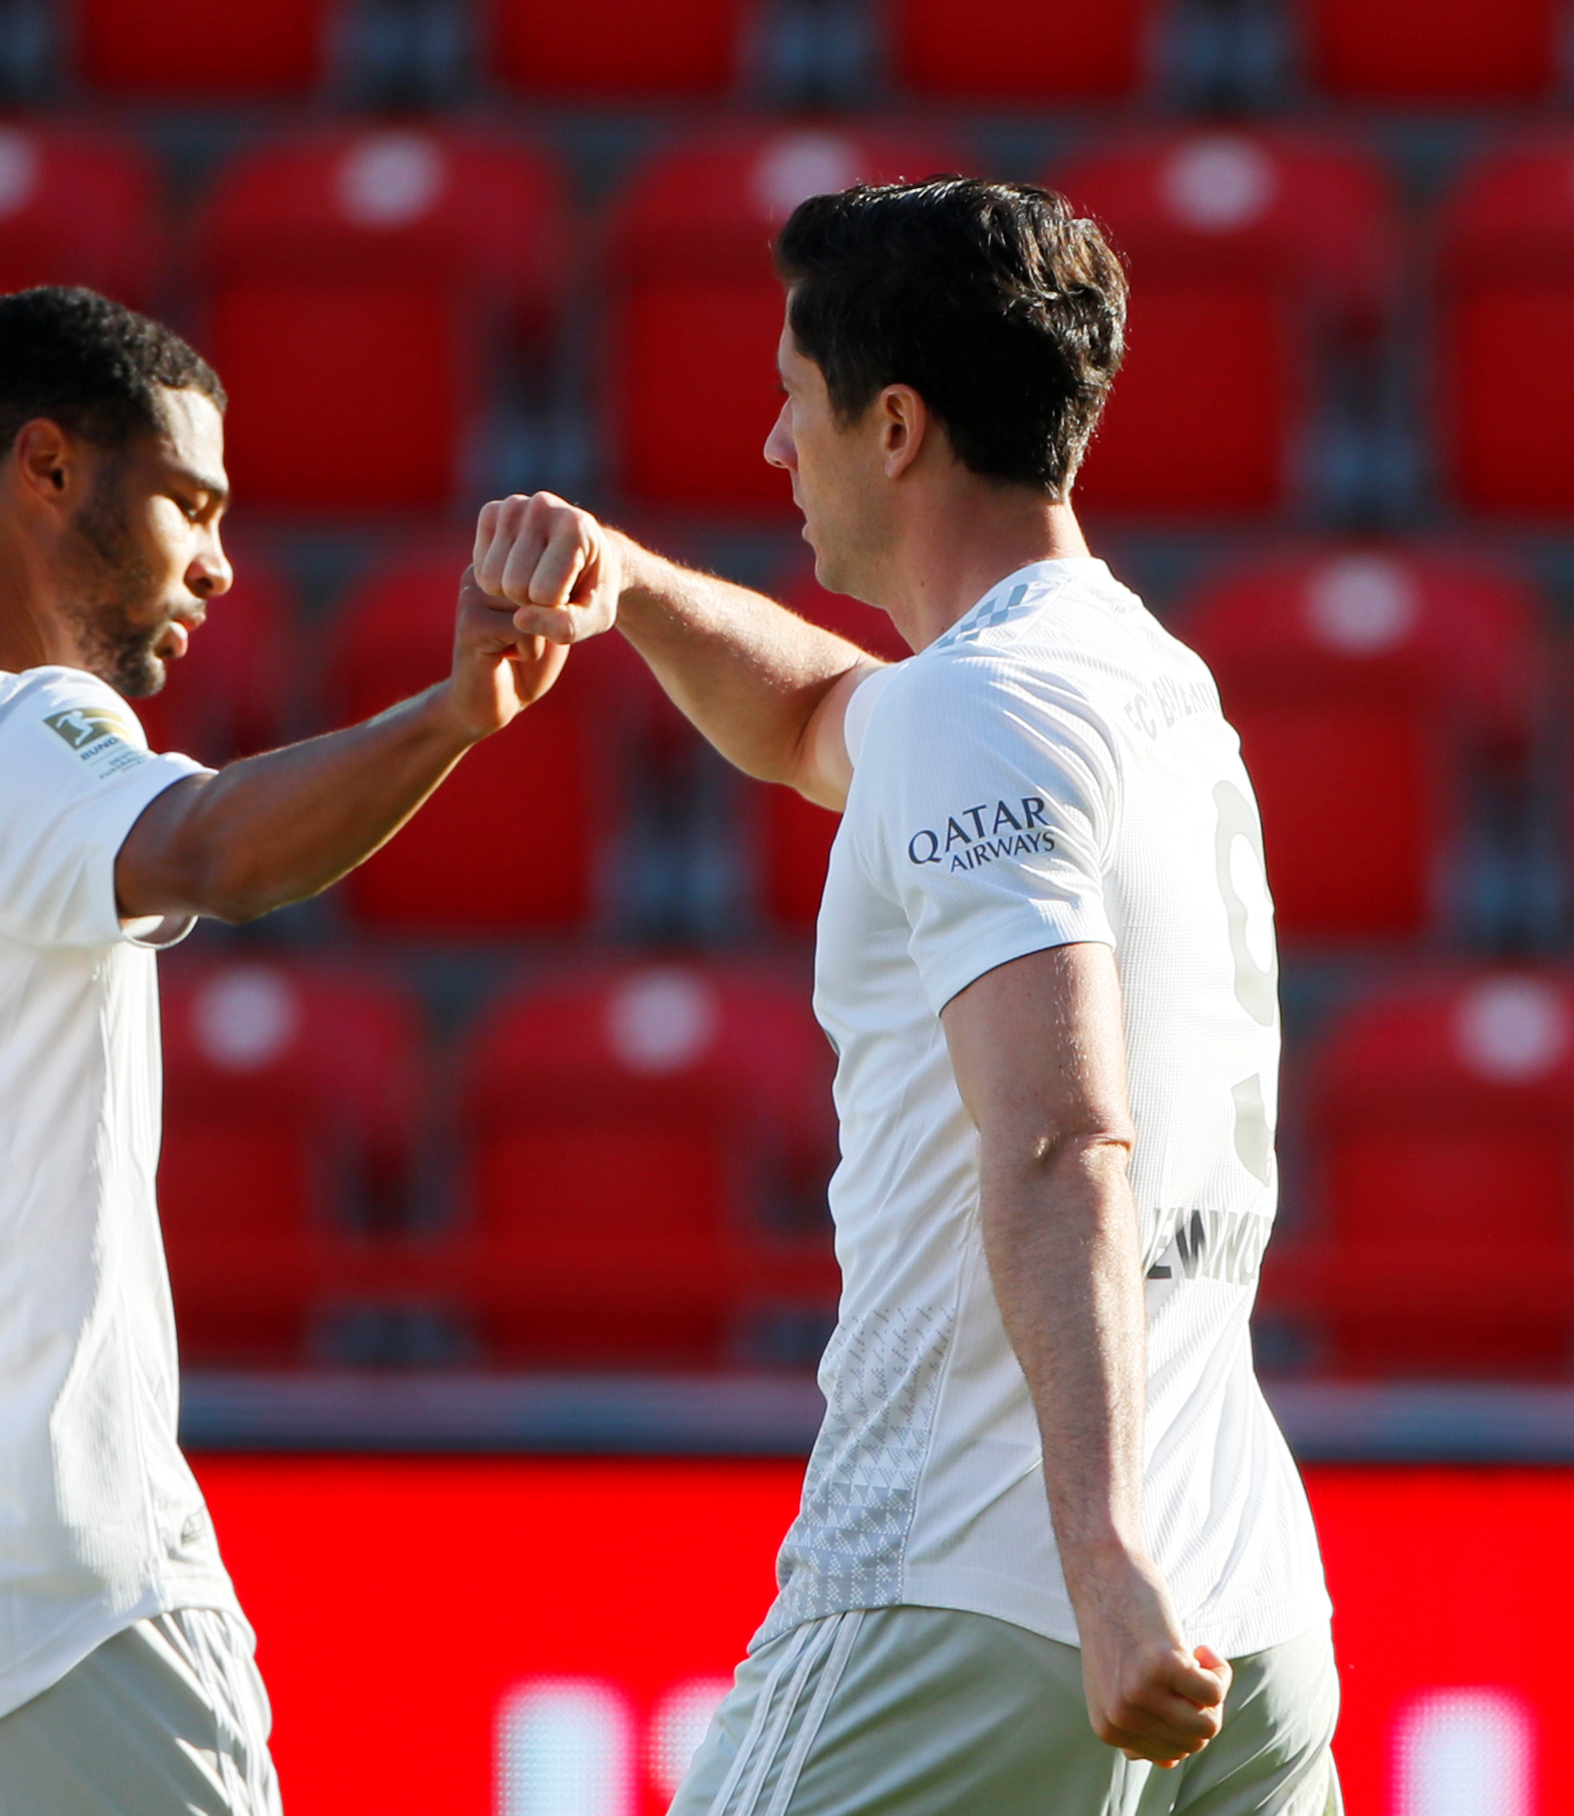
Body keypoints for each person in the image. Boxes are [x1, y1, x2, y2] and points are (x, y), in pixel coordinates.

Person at [0, 285, 565, 1816]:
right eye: (189, 502)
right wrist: (451, 717)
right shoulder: (3, 733)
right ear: (49, 467)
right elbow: (206, 851)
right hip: (33, 1588)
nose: (216, 560)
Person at [471, 179, 1337, 1814]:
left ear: (893, 424)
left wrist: (1103, 1556)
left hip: (985, 1579)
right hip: (1252, 1594)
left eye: (794, 405)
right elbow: (816, 723)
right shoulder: (1142, 678)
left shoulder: (978, 713)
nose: (772, 452)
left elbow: (1060, 1140)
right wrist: (631, 584)